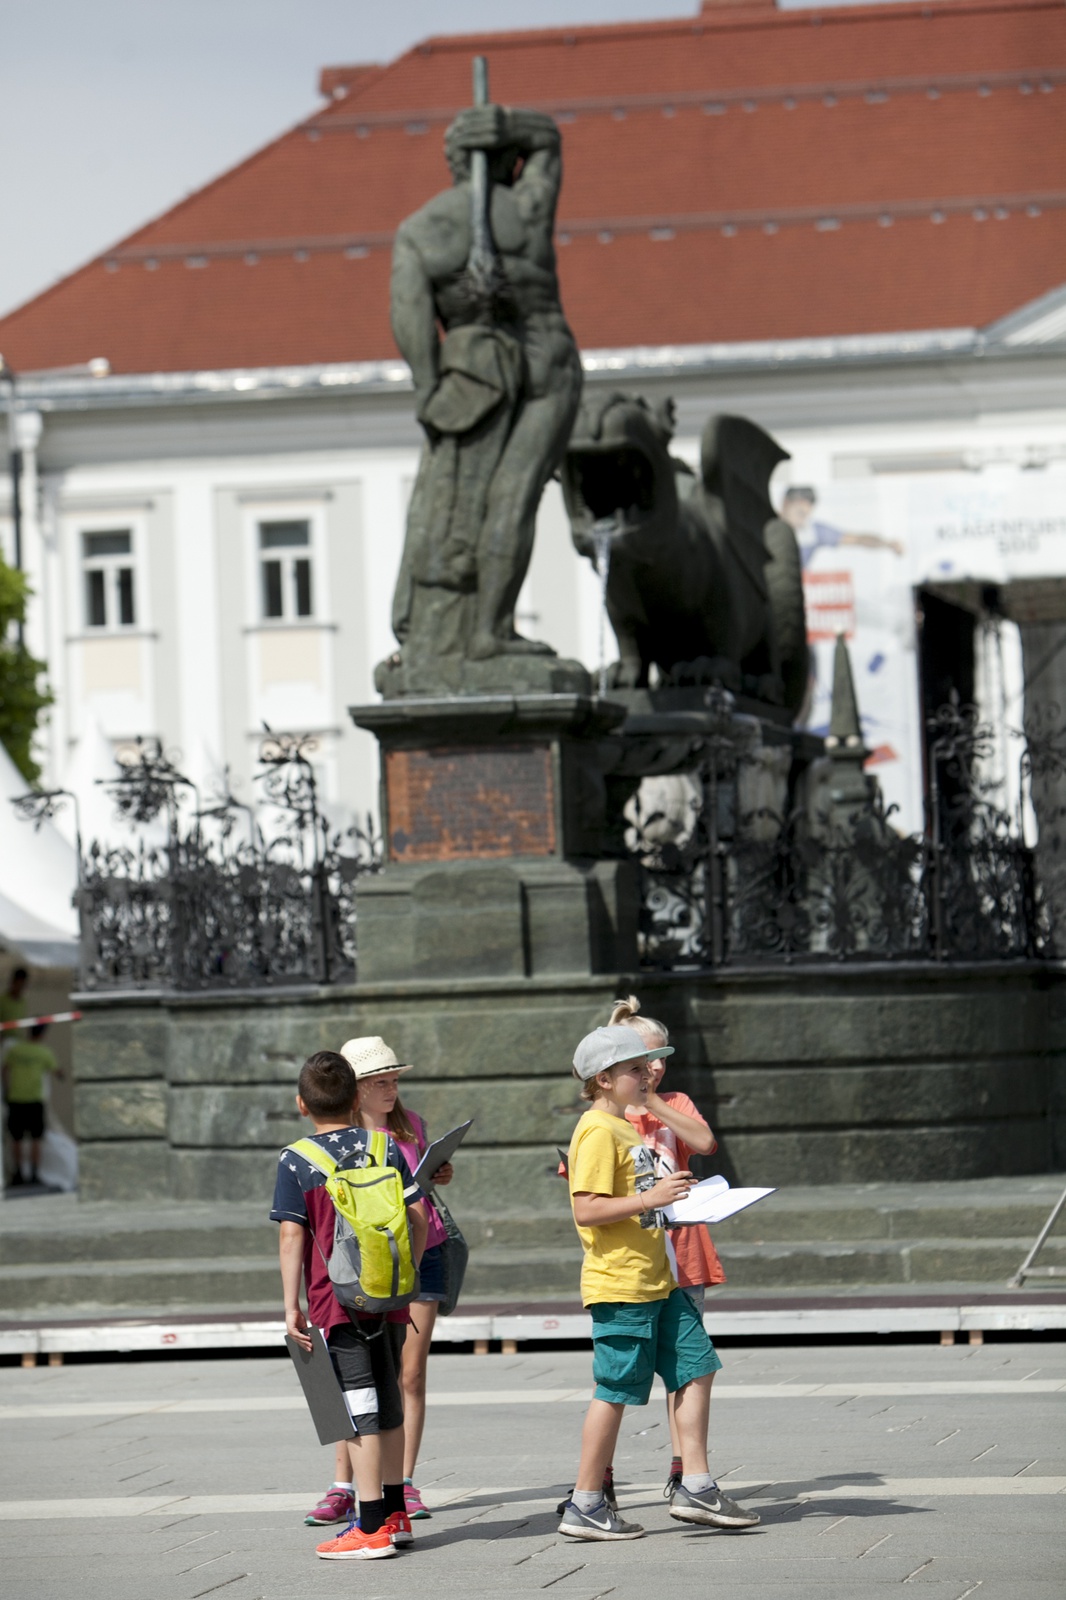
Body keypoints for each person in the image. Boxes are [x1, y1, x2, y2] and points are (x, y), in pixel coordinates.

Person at [558, 1024, 759, 1541]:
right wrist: (652, 1198)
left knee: (697, 1366)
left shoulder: (624, 1126)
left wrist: (670, 1199)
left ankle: (696, 1485)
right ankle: (586, 1503)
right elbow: (586, 1209)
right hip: (622, 1284)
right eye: (634, 1069)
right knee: (615, 1390)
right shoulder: (597, 1130)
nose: (645, 1076)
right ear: (604, 1079)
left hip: (661, 1277)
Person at [271, 1045, 428, 1562]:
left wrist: (291, 1304)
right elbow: (419, 1217)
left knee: (357, 1410)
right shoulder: (384, 1146)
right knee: (389, 1402)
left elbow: (292, 1235)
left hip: (336, 1301)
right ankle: (397, 1514)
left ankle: (370, 1526)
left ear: (302, 1105)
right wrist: (406, 1272)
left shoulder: (296, 1159)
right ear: (356, 1097)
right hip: (390, 1295)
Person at [305, 1037, 456, 1528]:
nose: (391, 1090)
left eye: (395, 1080)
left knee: (406, 1375)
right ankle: (344, 1485)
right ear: (355, 1089)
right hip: (356, 1267)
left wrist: (438, 1173)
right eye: (380, 1082)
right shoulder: (334, 1141)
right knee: (352, 1381)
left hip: (418, 1254)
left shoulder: (410, 1127)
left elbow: (416, 1196)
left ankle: (401, 1483)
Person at [609, 994, 725, 1497]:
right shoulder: (606, 1117)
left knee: (688, 1366)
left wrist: (654, 1102)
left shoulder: (673, 1103)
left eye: (662, 1057)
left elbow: (704, 1143)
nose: (656, 1067)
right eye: (646, 1059)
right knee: (622, 1374)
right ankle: (599, 1478)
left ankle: (685, 1469)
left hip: (685, 1253)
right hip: (634, 1260)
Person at [3, 1022, 61, 1189]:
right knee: (36, 1138)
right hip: (34, 1099)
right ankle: (34, 1173)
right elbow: (56, 1071)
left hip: (15, 1098)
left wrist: (6, 1089)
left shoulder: (15, 1050)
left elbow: (4, 1070)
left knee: (17, 1138)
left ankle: (19, 1173)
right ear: (42, 1034)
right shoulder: (44, 1052)